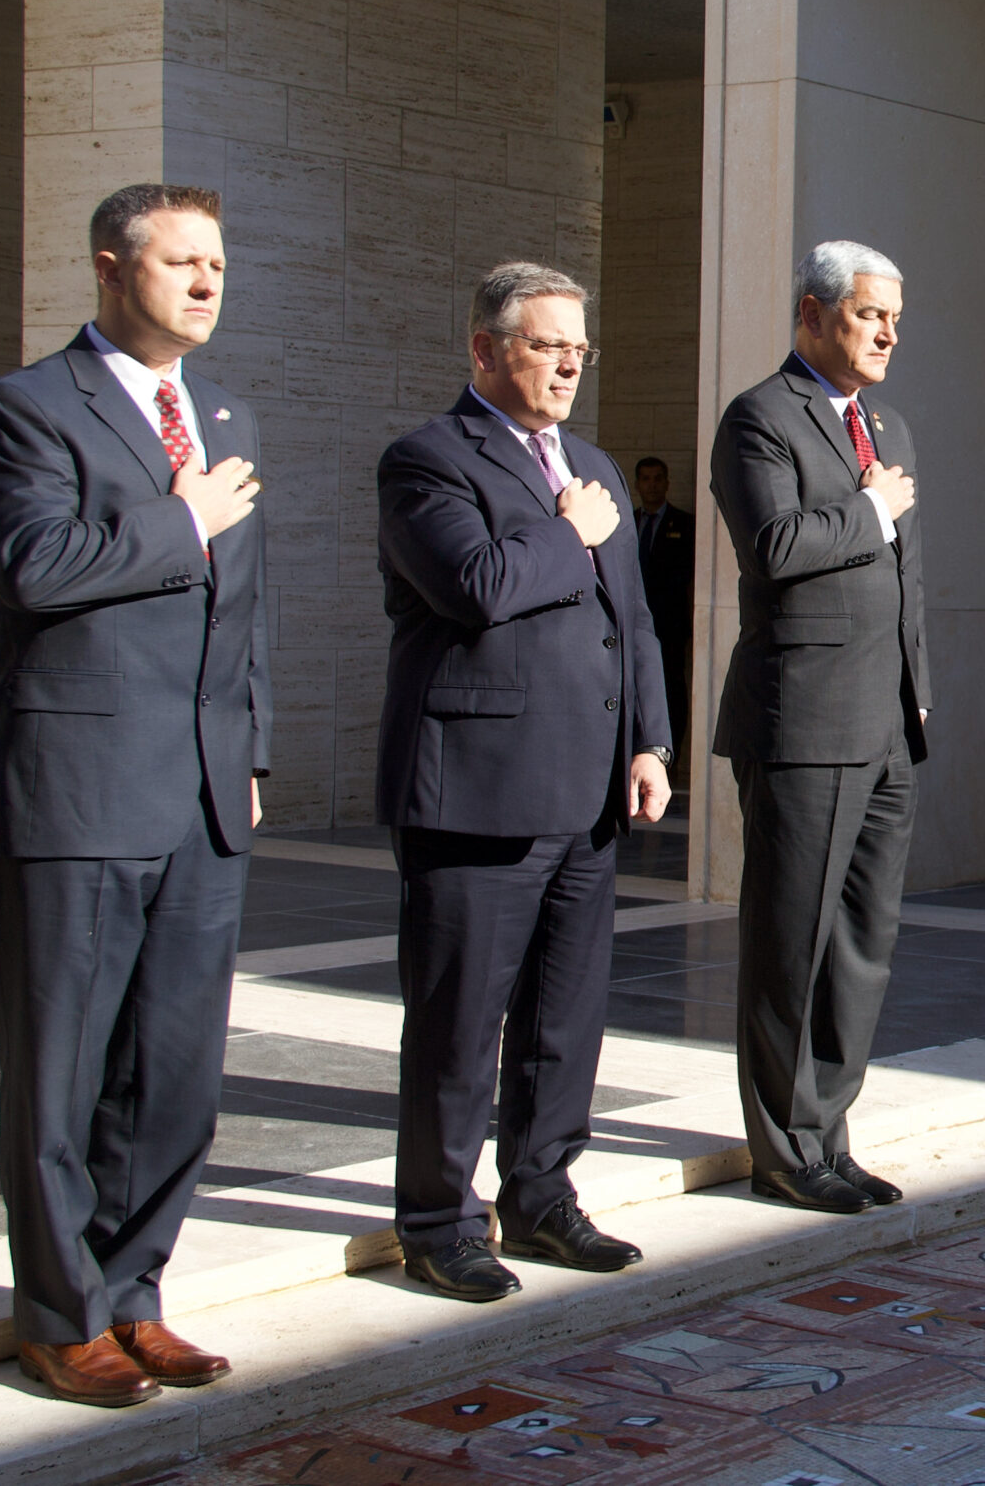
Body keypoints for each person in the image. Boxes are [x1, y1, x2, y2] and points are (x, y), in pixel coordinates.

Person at [0, 184, 268, 1407]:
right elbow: (33, 567)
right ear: (109, 268)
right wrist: (175, 518)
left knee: (174, 1070)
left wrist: (250, 750)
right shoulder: (27, 407)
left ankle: (134, 1294)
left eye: (217, 264)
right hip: (76, 789)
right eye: (181, 261)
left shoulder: (226, 409)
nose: (206, 282)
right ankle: (58, 1313)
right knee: (62, 1068)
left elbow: (249, 605)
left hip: (200, 794)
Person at [374, 263, 673, 1302]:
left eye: (578, 348)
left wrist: (649, 742)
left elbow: (629, 620)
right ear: (484, 349)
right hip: (476, 790)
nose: (568, 363)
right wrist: (572, 532)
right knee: (459, 1022)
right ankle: (438, 1223)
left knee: (564, 1017)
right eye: (547, 344)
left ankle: (542, 1197)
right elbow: (476, 586)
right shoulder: (425, 460)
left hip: (589, 788)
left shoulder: (585, 462)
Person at [711, 240, 928, 1214]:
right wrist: (871, 509)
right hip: (800, 724)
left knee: (861, 946)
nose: (887, 332)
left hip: (885, 726)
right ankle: (782, 1148)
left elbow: (905, 578)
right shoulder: (759, 418)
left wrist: (917, 693)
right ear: (812, 314)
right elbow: (775, 547)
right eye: (868, 314)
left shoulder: (888, 425)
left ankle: (829, 1135)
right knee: (790, 942)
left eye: (894, 319)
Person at [634, 455, 696, 764]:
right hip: (630, 626)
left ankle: (667, 764)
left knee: (671, 696)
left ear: (667, 483)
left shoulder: (685, 525)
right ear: (637, 484)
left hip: (668, 629)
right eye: (646, 479)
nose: (652, 485)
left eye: (658, 478)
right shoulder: (626, 522)